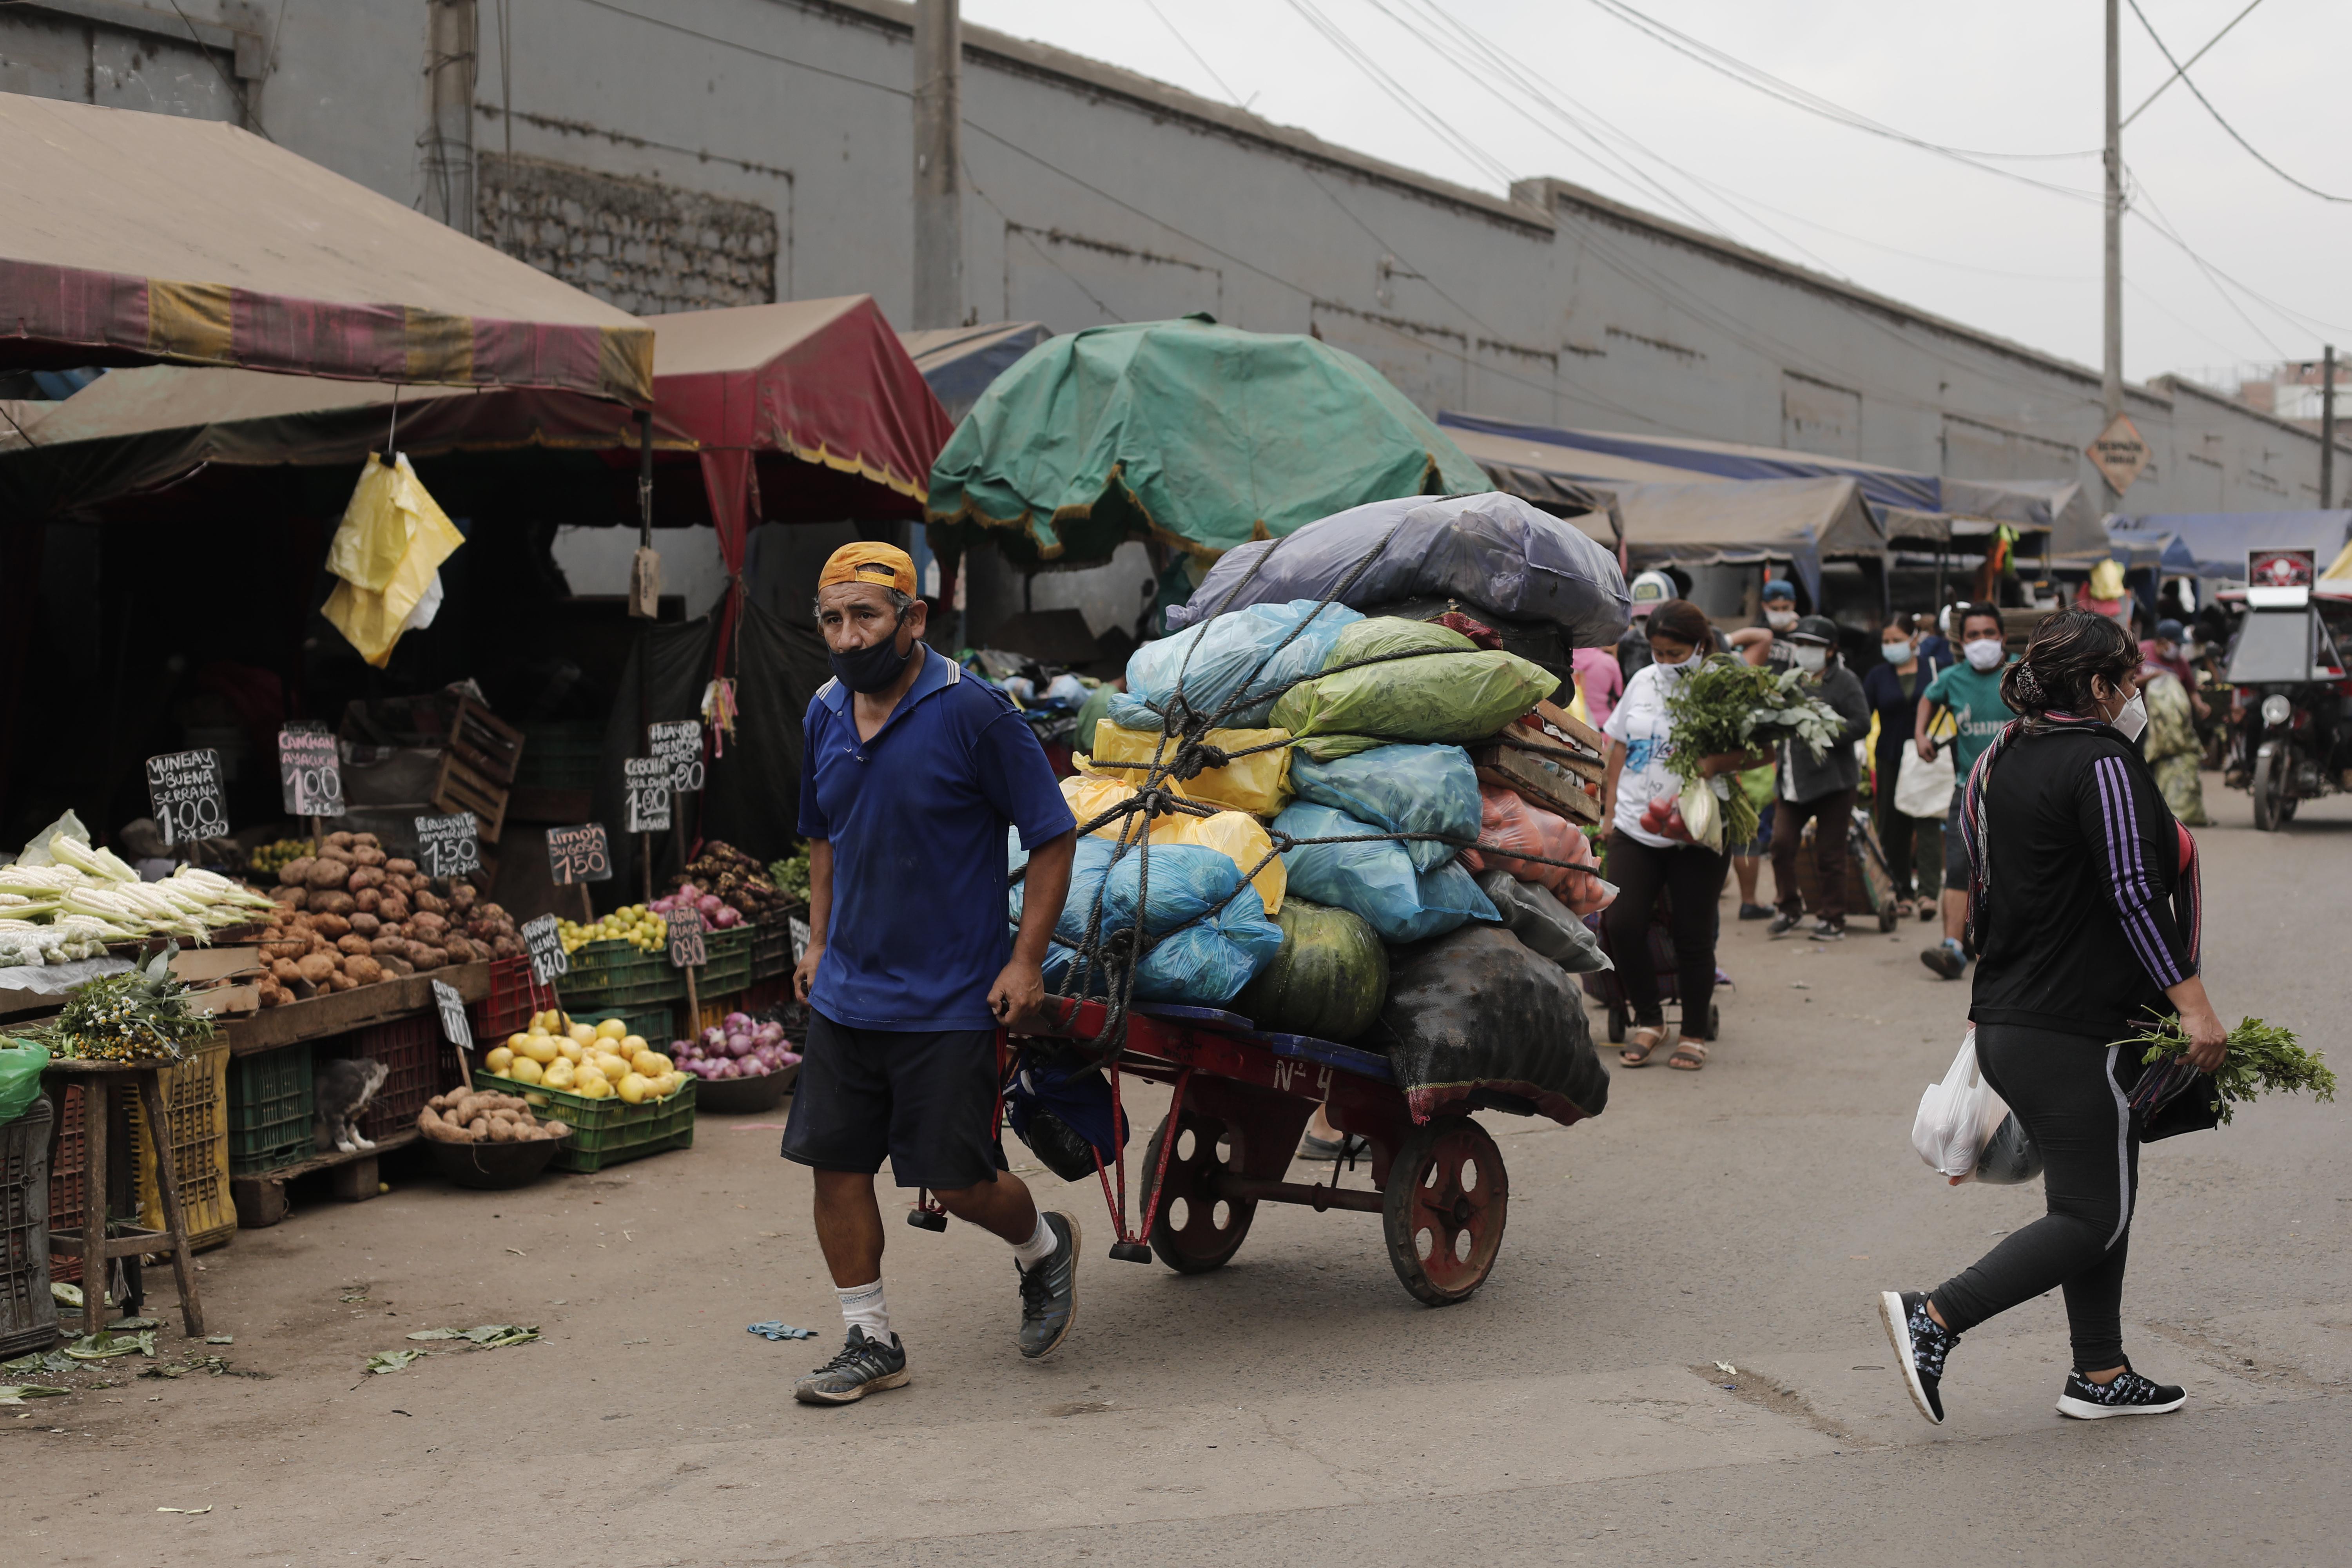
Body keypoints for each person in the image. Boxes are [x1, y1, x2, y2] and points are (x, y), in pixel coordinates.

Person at [1880, 607, 2223, 1426]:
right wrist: (2197, 1008)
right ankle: (1935, 1315)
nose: (2137, 691)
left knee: (2104, 1194)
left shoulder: (2005, 755)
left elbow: (1998, 891)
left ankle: (2100, 1371)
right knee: (2091, 1214)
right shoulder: (2099, 762)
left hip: (2024, 1014)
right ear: (2098, 684)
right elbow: (2135, 893)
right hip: (2070, 1025)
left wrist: (1988, 1006)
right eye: (2129, 678)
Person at [786, 542, 1083, 1405]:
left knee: (955, 1181)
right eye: (833, 619)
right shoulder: (822, 712)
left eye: (866, 616)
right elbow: (822, 833)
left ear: (913, 619)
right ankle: (869, 1338)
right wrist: (817, 941)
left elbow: (1051, 831)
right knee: (834, 1165)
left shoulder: (975, 712)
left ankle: (1043, 1248)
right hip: (848, 990)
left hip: (952, 993)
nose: (848, 636)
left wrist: (1025, 959)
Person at [1599, 599, 1759, 1071]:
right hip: (1635, 823)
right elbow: (1619, 746)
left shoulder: (1724, 688)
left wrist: (1715, 764)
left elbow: (1762, 750)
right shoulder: (1641, 682)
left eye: (1675, 653)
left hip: (1700, 827)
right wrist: (1608, 813)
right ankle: (1650, 1021)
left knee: (1693, 933)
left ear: (1700, 646)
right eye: (1658, 653)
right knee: (1621, 923)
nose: (1665, 663)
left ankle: (1692, 1031)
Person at [1916, 605, 2014, 980]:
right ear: (1961, 642)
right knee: (1958, 866)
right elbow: (1927, 698)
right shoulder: (1953, 679)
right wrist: (1920, 734)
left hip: (2019, 787)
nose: (1982, 642)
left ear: (2002, 637)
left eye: (1989, 633)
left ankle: (2008, 947)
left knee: (2013, 868)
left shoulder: (2021, 672)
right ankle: (1952, 948)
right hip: (1968, 790)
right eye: (1973, 635)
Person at [1766, 616, 1870, 941]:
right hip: (1793, 781)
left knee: (1830, 853)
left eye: (1813, 646)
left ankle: (1833, 918)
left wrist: (1822, 730)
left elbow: (1862, 724)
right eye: (1801, 644)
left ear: (1830, 650)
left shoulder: (1845, 682)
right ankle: (1788, 907)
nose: (1805, 651)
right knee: (1780, 846)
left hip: (1833, 783)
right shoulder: (1790, 681)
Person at [1860, 617, 1950, 919]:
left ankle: (1927, 894)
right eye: (1885, 641)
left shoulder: (1935, 669)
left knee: (1927, 821)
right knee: (1892, 824)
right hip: (1889, 756)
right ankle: (1901, 892)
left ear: (1914, 639)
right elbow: (1863, 714)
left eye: (1896, 639)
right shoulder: (1877, 675)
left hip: (1927, 755)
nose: (1890, 646)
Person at [1723, 578, 1801, 917]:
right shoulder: (1756, 640)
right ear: (1765, 607)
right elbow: (1759, 638)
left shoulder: (1804, 639)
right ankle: (1751, 901)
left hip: (1788, 737)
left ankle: (1763, 898)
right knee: (1752, 823)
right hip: (1757, 743)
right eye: (1775, 608)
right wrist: (1724, 640)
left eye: (1786, 607)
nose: (1781, 614)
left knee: (1767, 824)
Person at [2138, 618, 2209, 723]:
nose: (2178, 648)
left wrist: (2199, 705)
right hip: (2141, 716)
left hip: (2169, 720)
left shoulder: (2181, 662)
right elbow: (2126, 683)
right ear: (2163, 642)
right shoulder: (2141, 651)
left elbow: (2191, 690)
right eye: (2176, 644)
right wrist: (2153, 677)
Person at [1572, 643, 1623, 731]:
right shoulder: (1608, 662)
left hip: (1570, 724)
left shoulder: (1562, 662)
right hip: (1604, 726)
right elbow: (1619, 693)